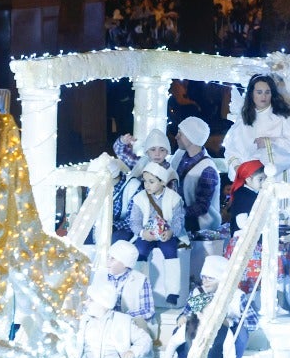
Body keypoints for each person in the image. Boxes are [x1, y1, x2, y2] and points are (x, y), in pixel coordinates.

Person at [226, 73, 290, 179]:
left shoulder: (284, 116)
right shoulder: (244, 118)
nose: (264, 96)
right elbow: (232, 148)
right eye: (259, 92)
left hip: (277, 177)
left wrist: (269, 142)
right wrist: (237, 167)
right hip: (250, 179)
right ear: (252, 94)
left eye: (267, 92)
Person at [130, 162, 186, 305]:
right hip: (147, 233)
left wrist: (171, 231)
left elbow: (178, 219)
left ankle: (173, 292)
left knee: (170, 251)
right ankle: (138, 288)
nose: (147, 185)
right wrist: (143, 233)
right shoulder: (139, 198)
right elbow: (134, 221)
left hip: (165, 233)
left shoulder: (174, 198)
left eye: (151, 181)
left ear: (162, 182)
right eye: (145, 182)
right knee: (140, 251)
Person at [172, 116, 222, 235]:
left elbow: (201, 207)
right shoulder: (179, 155)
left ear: (191, 137)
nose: (176, 137)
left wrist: (175, 213)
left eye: (180, 134)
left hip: (198, 225)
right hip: (179, 215)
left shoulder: (207, 169)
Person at [91, 240, 155, 323]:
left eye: (113, 259)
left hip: (129, 324)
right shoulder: (100, 275)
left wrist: (121, 317)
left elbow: (148, 310)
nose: (108, 261)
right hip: (102, 323)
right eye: (108, 257)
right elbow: (90, 302)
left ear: (125, 263)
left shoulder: (141, 280)